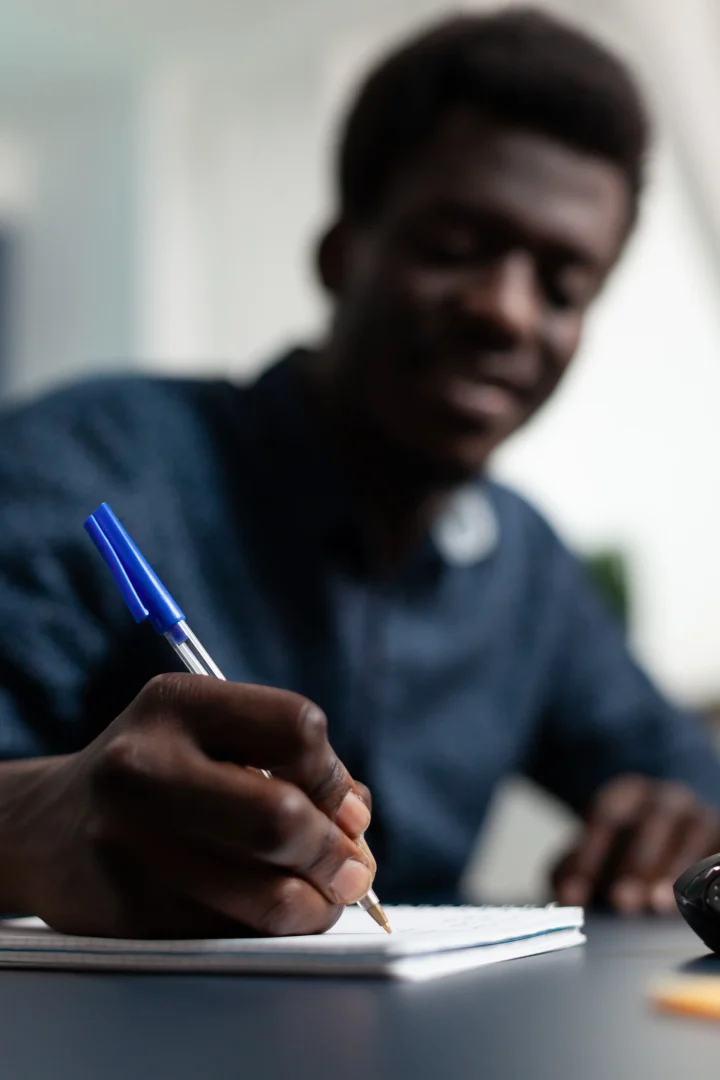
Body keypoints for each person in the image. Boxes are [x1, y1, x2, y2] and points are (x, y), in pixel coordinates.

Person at [0, 8, 718, 938]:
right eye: (457, 245)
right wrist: (22, 825)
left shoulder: (525, 569)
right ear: (341, 252)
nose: (507, 311)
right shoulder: (91, 464)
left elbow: (676, 778)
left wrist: (678, 822)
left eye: (562, 284)